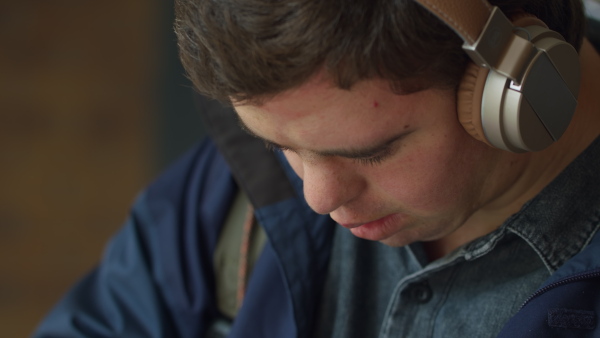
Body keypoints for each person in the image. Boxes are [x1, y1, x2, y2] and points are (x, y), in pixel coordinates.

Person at [34, 0, 600, 337]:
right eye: (280, 145)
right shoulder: (237, 188)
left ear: (521, 85)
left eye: (369, 151)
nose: (318, 196)